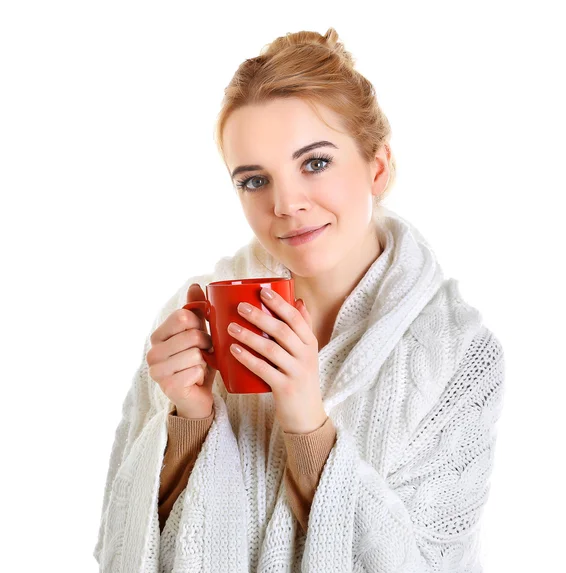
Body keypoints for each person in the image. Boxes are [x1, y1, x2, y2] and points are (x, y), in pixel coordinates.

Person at [94, 28, 505, 572]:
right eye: (254, 180)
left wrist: (307, 425)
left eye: (314, 163)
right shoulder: (195, 320)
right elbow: (120, 546)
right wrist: (188, 419)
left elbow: (430, 563)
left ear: (377, 168)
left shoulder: (459, 356)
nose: (285, 204)